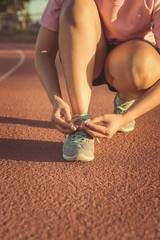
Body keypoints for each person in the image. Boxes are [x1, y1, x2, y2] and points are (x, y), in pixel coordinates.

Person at [35, 0, 160, 162]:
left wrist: (126, 118)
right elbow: (43, 52)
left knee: (144, 65)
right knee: (76, 4)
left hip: (129, 62)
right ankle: (80, 122)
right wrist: (55, 98)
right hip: (88, 59)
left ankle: (126, 98)